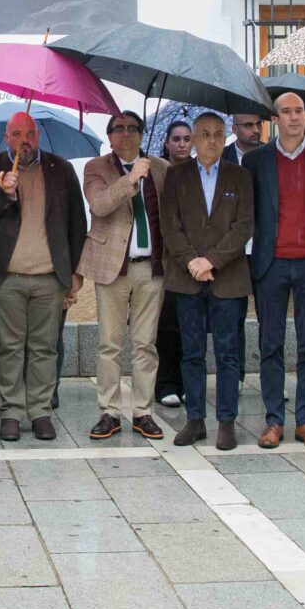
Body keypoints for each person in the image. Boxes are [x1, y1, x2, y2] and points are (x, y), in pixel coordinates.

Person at [0, 111, 87, 442]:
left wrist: (75, 270)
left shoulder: (61, 169)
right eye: (16, 134)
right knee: (8, 347)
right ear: (6, 137)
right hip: (6, 277)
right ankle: (11, 411)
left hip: (49, 276)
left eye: (29, 134)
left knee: (44, 348)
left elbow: (76, 222)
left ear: (38, 136)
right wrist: (4, 195)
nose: (23, 140)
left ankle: (40, 410)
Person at [243, 92, 305, 450]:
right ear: (275, 119)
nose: (294, 117)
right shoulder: (257, 161)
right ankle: (273, 420)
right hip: (271, 263)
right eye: (287, 111)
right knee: (271, 344)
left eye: (299, 111)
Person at [159, 113, 254, 449]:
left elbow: (244, 226)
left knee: (229, 354)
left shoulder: (240, 176)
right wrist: (191, 262)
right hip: (187, 280)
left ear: (225, 136)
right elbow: (170, 226)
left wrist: (211, 260)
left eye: (217, 134)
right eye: (204, 134)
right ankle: (195, 419)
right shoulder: (176, 175)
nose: (211, 140)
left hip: (228, 279)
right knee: (192, 352)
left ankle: (226, 421)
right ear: (194, 139)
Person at [81, 110, 168, 441]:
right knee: (110, 344)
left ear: (142, 134)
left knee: (146, 344)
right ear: (110, 136)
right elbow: (100, 205)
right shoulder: (96, 168)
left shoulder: (160, 168)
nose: (126, 134)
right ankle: (109, 411)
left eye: (133, 128)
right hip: (113, 268)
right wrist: (129, 180)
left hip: (151, 268)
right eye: (119, 129)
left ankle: (143, 411)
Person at [153, 119, 195, 408]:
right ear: (166, 142)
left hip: (193, 259)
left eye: (186, 139)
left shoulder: (199, 172)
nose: (181, 144)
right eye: (176, 139)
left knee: (189, 325)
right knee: (165, 324)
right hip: (165, 259)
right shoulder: (155, 170)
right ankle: (165, 382)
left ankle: (186, 382)